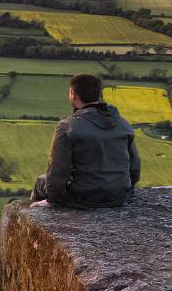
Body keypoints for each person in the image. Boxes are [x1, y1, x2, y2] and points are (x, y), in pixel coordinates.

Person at [31, 73, 139, 209]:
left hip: (83, 197)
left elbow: (58, 170)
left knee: (41, 182)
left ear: (73, 93)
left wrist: (51, 200)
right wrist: (125, 190)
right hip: (119, 196)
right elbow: (134, 168)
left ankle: (35, 218)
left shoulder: (67, 127)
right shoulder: (123, 124)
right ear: (98, 94)